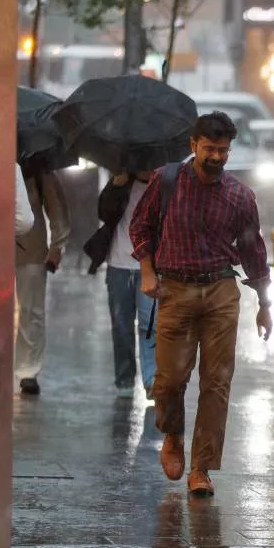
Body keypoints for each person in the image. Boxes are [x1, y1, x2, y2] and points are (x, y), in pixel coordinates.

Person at [130, 111, 273, 498]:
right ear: (193, 146)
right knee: (170, 379)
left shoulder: (240, 196)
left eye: (223, 151)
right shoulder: (167, 181)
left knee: (217, 383)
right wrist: (147, 271)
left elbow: (253, 250)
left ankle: (202, 468)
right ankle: (173, 434)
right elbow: (140, 227)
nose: (217, 157)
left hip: (221, 293)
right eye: (210, 149)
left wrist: (264, 302)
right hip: (174, 290)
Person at [99, 171, 157, 399]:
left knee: (150, 324)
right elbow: (103, 213)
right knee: (121, 326)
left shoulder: (162, 186)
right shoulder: (121, 182)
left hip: (150, 267)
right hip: (118, 265)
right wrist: (115, 185)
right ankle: (124, 379)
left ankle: (152, 379)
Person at [14, 165, 71, 396]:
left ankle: (28, 371)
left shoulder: (38, 168)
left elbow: (57, 210)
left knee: (32, 312)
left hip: (31, 251)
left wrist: (57, 246)